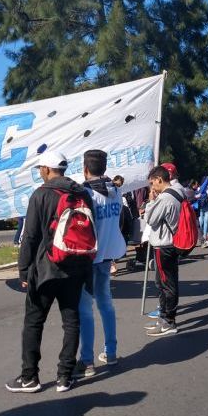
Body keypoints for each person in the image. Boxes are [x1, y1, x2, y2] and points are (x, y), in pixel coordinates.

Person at [6, 151, 94, 394]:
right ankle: (64, 377)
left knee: (34, 321)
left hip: (45, 269)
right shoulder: (82, 193)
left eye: (40, 169)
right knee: (71, 321)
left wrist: (23, 271)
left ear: (46, 169)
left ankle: (29, 378)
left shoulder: (41, 194)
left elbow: (30, 237)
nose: (40, 173)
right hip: (75, 267)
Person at [73, 150, 127, 378]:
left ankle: (87, 361)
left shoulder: (85, 193)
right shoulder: (115, 191)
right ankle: (111, 351)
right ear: (104, 168)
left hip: (88, 258)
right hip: (107, 255)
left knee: (85, 309)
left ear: (85, 168)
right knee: (106, 304)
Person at [143, 165, 183, 336]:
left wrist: (151, 201)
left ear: (160, 179)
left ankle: (168, 321)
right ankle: (164, 317)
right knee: (163, 283)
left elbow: (150, 219)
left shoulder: (165, 197)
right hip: (170, 244)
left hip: (164, 245)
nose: (152, 187)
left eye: (153, 183)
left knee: (167, 284)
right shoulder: (177, 192)